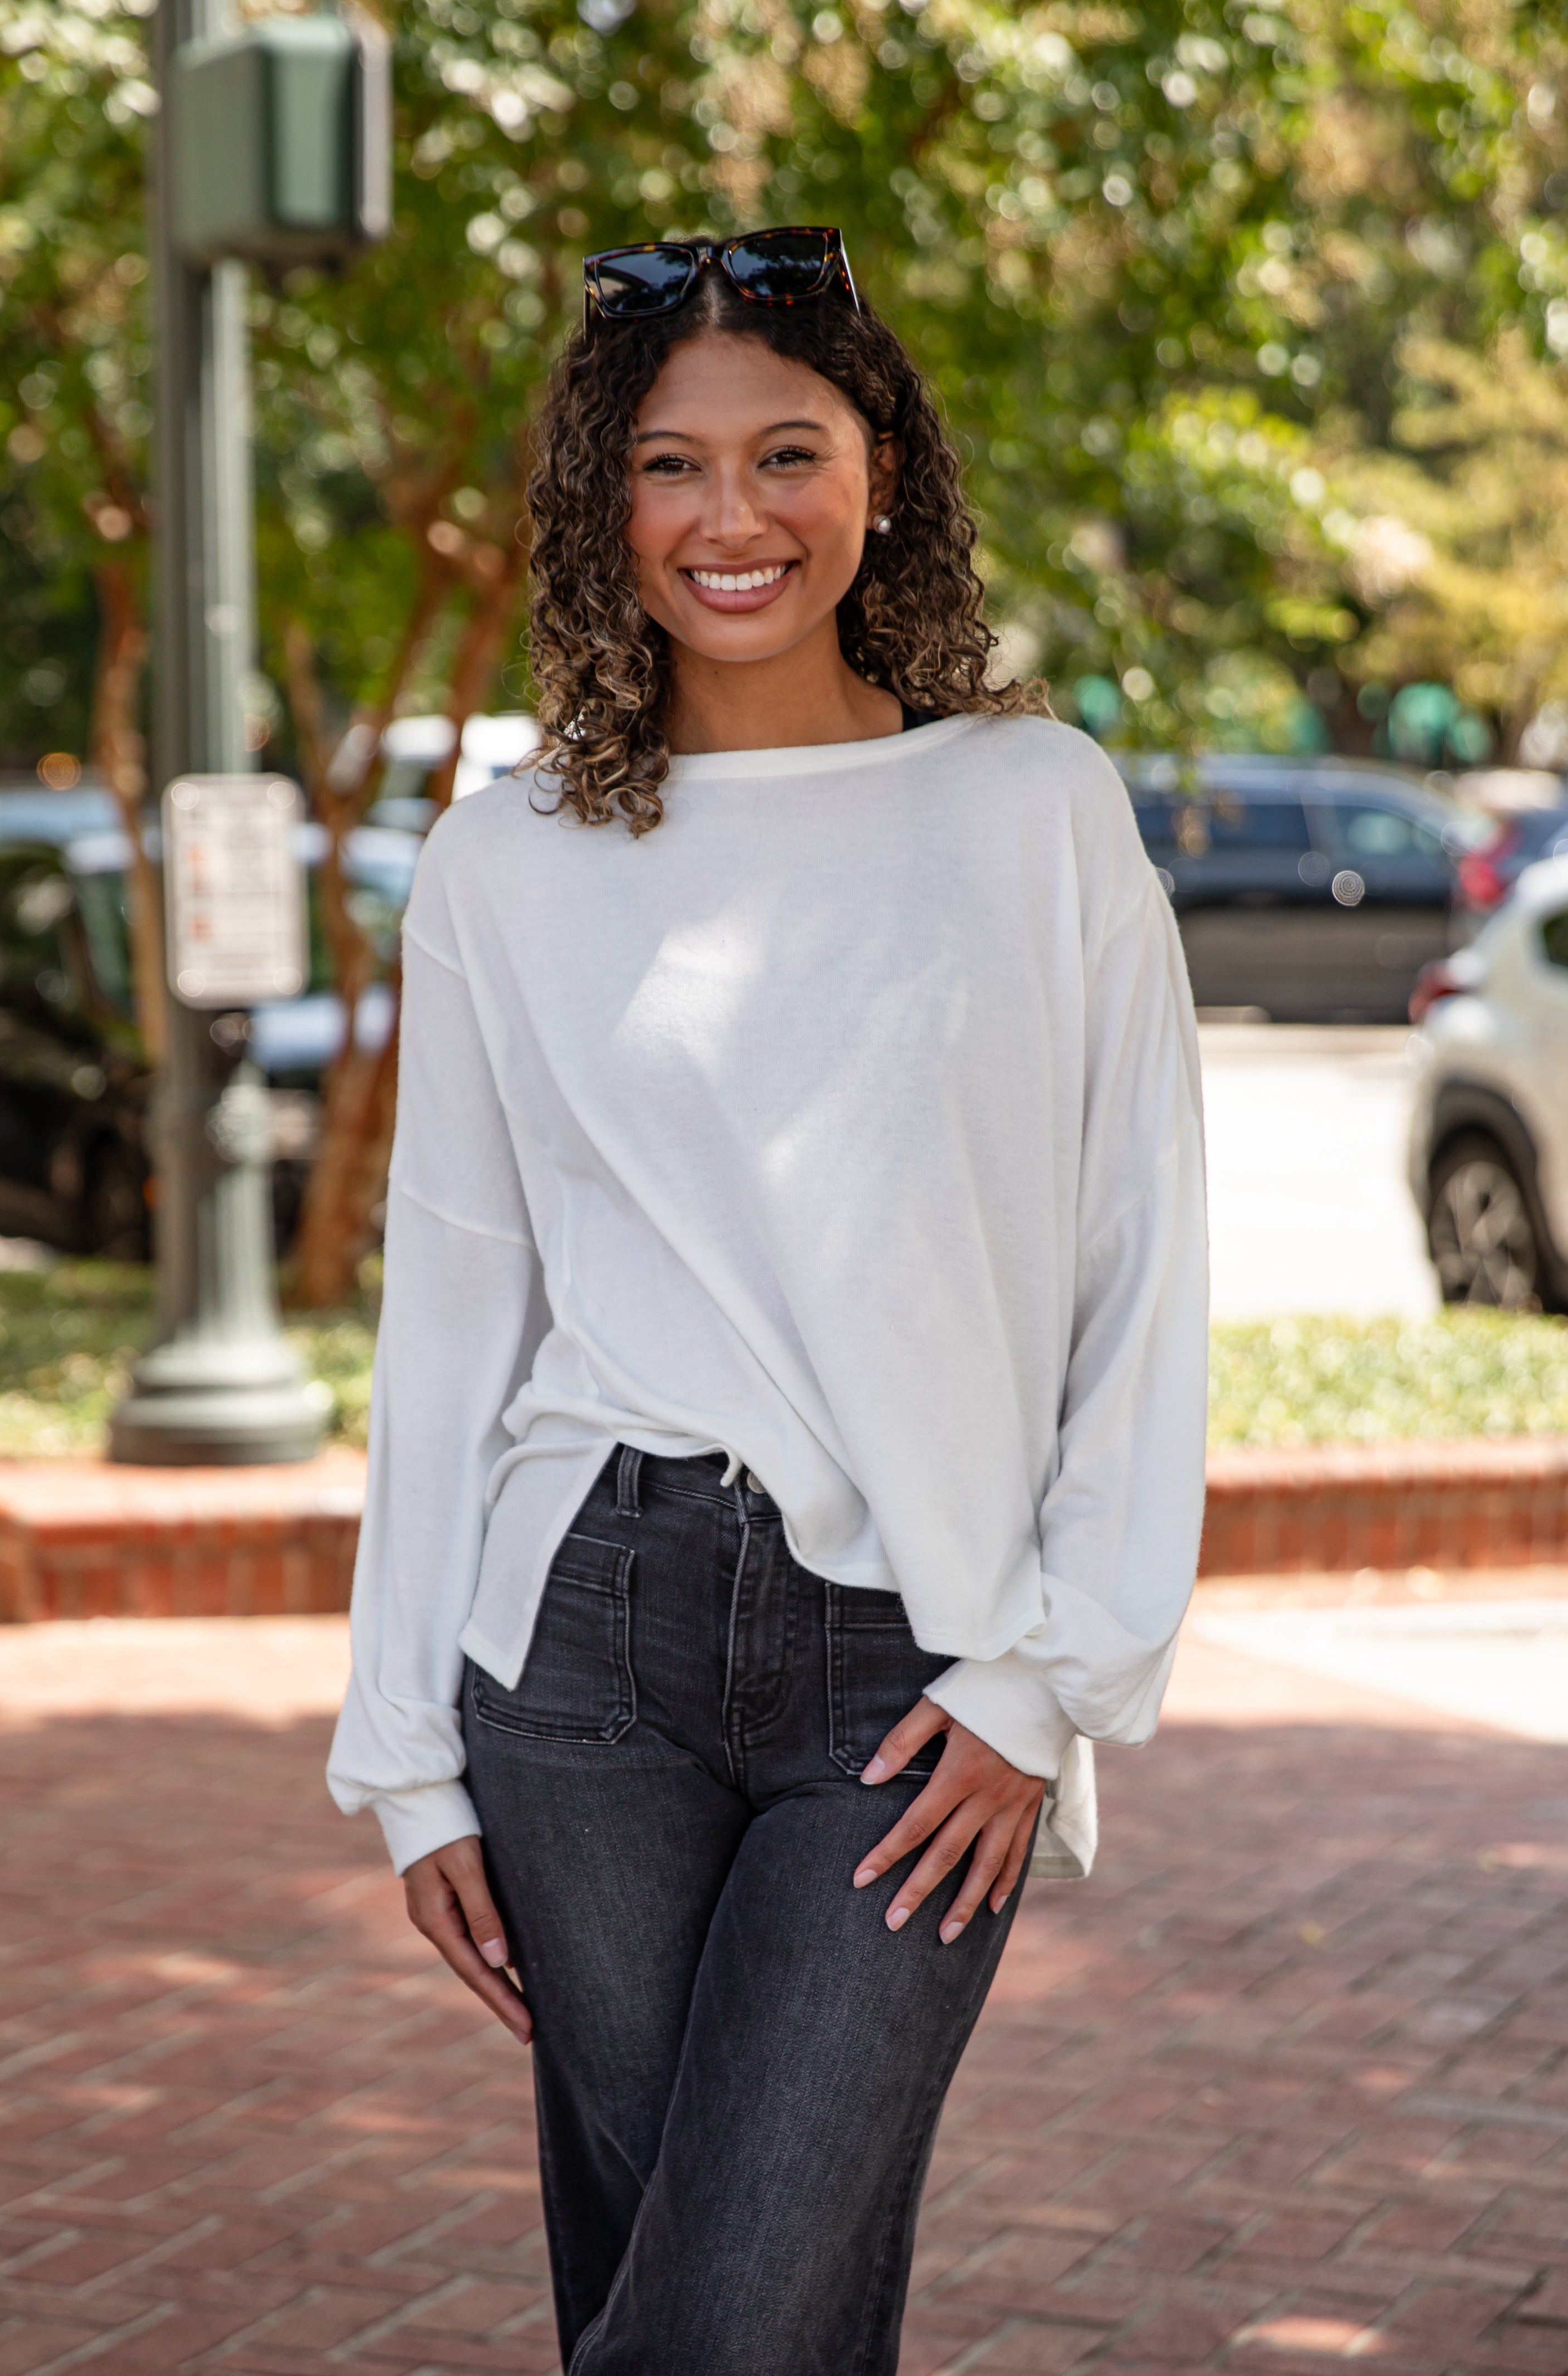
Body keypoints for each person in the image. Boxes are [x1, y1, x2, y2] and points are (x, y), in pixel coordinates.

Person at [328, 225, 1207, 2376]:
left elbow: (1142, 1262)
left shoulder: (1032, 808)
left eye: (786, 453)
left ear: (879, 474)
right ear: (600, 508)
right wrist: (406, 1759)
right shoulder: (505, 859)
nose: (731, 518)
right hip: (579, 1653)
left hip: (909, 1679)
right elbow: (451, 1312)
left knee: (721, 2317)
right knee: (767, 2316)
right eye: (669, 465)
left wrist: (1049, 1676)